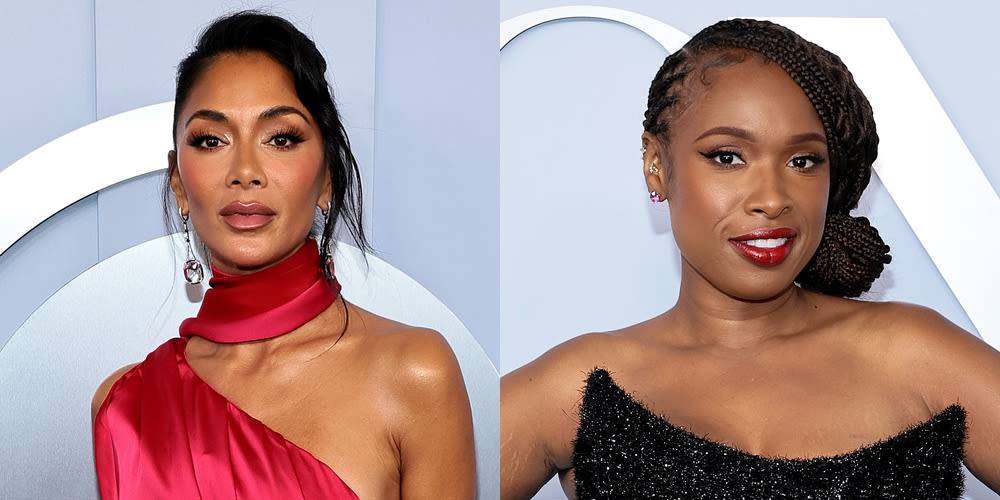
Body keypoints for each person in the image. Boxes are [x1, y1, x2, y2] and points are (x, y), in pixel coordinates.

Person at [500, 18, 1000, 500]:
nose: (772, 197)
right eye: (727, 157)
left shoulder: (916, 357)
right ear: (656, 165)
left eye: (802, 161)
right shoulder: (581, 388)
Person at [91, 11, 475, 500]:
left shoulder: (416, 372)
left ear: (328, 177)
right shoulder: (125, 405)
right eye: (212, 140)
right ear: (178, 184)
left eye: (281, 138)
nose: (245, 171)